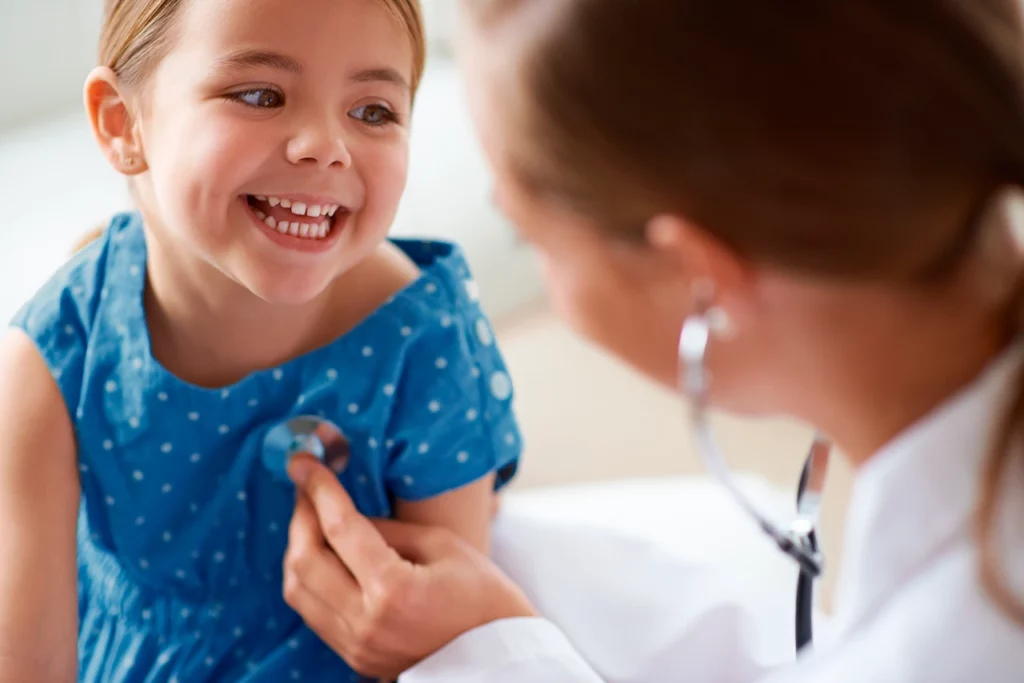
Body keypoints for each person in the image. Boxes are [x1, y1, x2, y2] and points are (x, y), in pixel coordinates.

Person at [278, 0, 1024, 680]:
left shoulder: (971, 636)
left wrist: (489, 660)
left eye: (526, 231)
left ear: (699, 279)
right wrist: (498, 589)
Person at [0, 0, 522, 680]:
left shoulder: (423, 340)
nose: (324, 145)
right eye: (259, 95)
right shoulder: (53, 357)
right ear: (121, 122)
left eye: (373, 111)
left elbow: (449, 647)